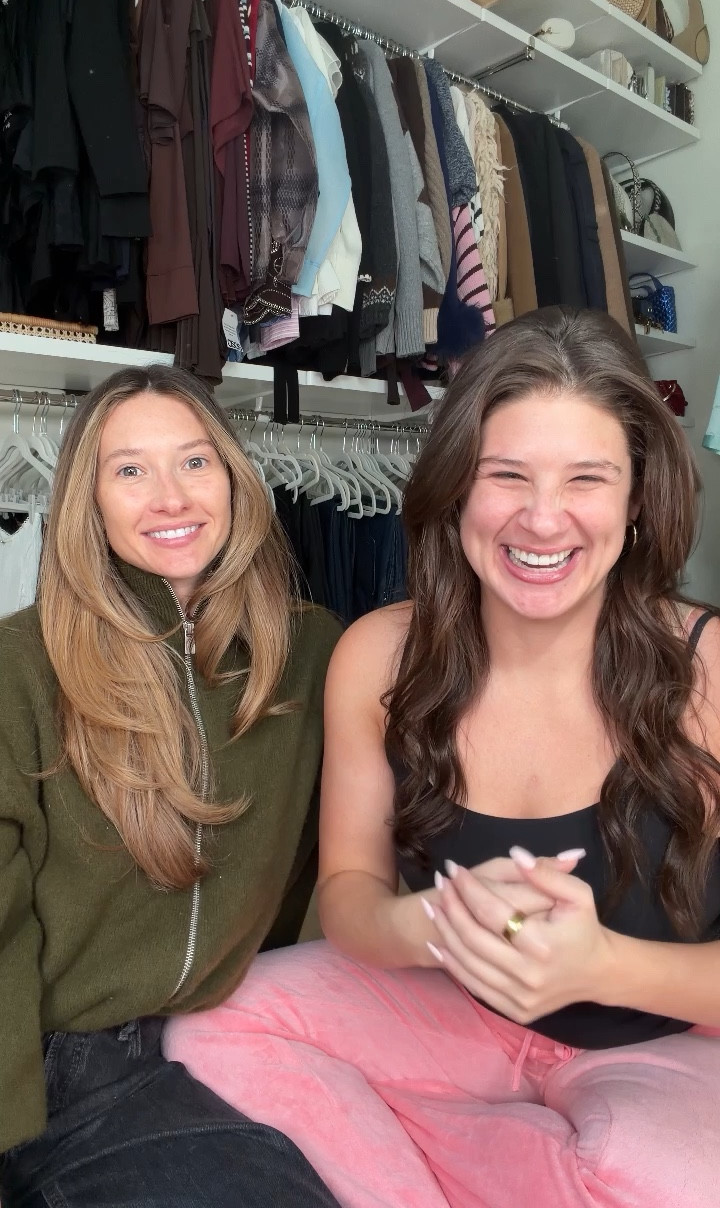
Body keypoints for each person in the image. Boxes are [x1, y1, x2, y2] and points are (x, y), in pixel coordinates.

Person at [166, 308, 720, 1208]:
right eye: (507, 475)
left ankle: (461, 1149)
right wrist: (432, 924)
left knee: (662, 1180)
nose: (543, 518)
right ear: (458, 487)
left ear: (636, 500)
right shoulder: (380, 656)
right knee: (211, 1032)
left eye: (587, 478)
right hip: (457, 1012)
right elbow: (350, 893)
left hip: (660, 1043)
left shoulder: (709, 670)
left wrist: (597, 965)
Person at [0, 364, 342, 1208]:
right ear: (88, 500)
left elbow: (339, 852)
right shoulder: (19, 666)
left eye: (194, 461)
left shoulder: (309, 651)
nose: (171, 498)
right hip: (61, 1065)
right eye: (130, 470)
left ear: (233, 477)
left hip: (235, 1026)